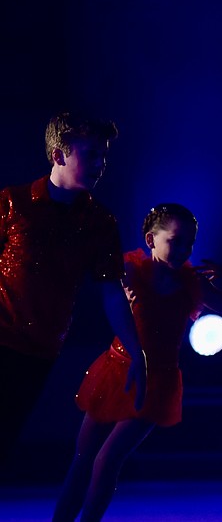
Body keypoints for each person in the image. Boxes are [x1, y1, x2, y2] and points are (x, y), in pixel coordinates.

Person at [53, 203, 222, 521]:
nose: (184, 249)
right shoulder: (128, 271)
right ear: (150, 239)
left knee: (107, 460)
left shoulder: (191, 283)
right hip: (116, 370)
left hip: (157, 381)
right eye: (175, 240)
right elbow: (101, 291)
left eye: (189, 243)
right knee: (82, 457)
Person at [0, 112, 146, 466]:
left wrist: (137, 352)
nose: (101, 163)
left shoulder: (100, 223)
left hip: (40, 351)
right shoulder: (12, 204)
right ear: (59, 155)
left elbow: (111, 293)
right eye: (91, 154)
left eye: (104, 155)